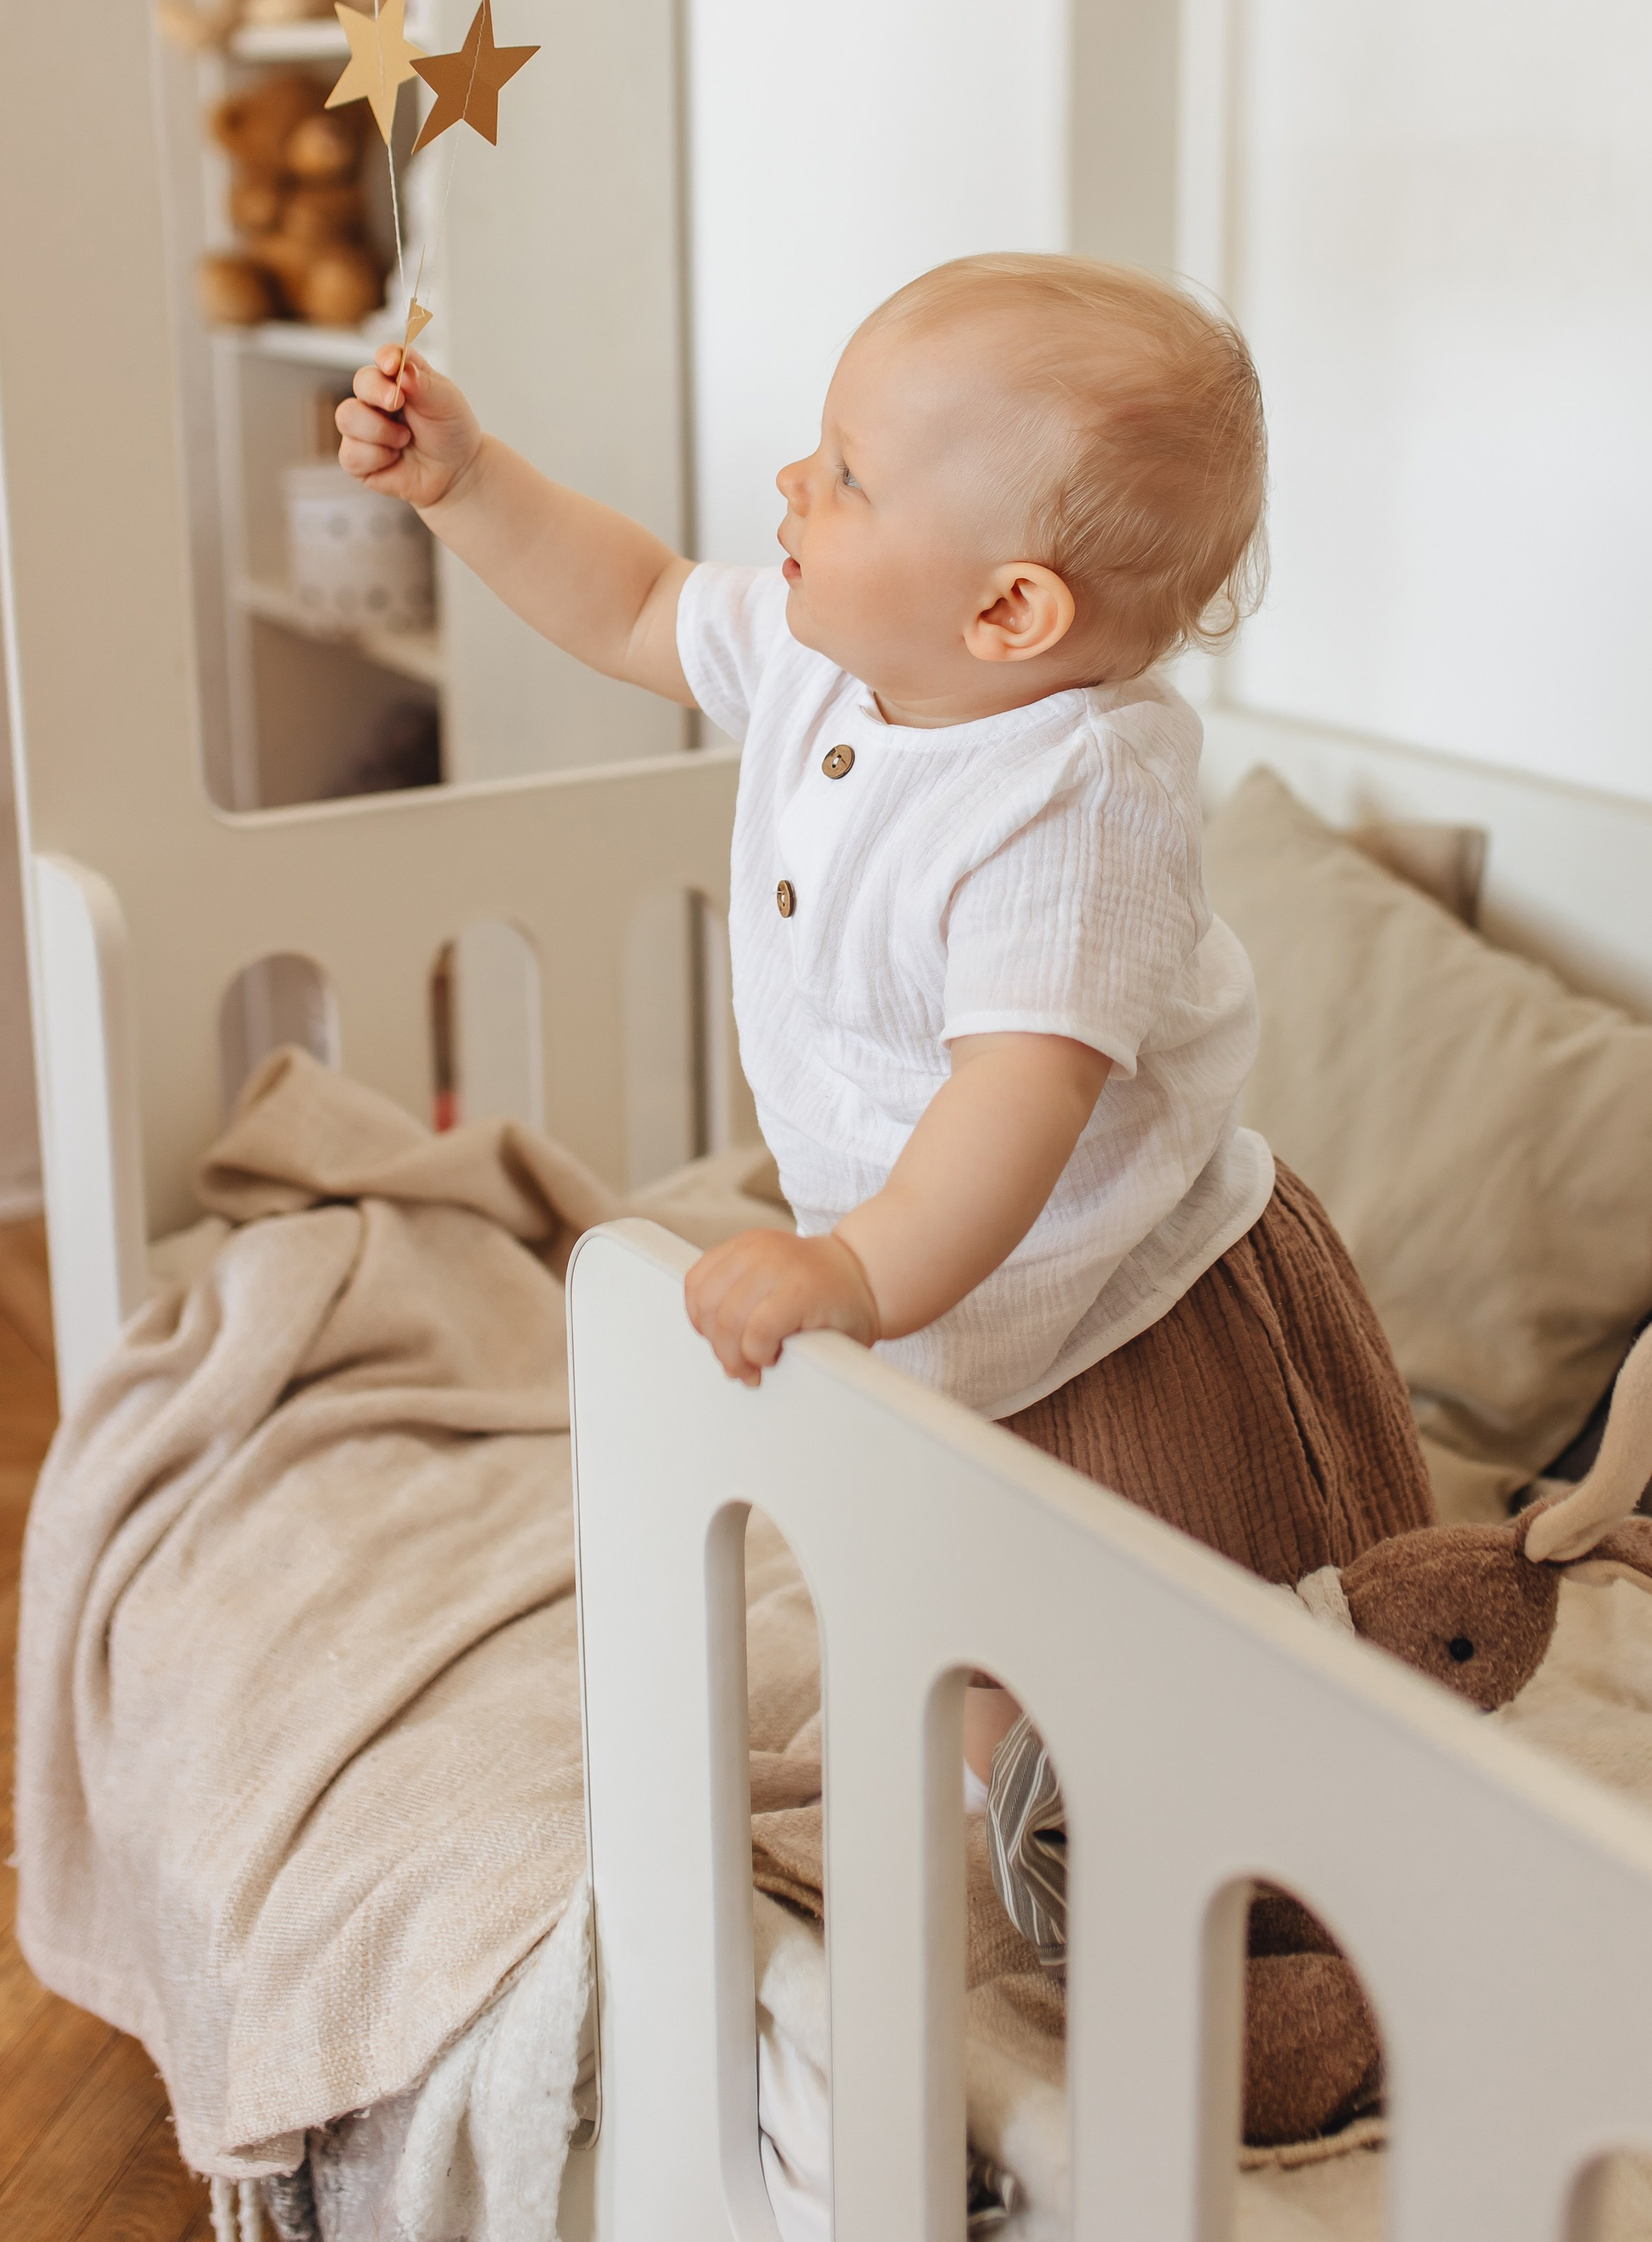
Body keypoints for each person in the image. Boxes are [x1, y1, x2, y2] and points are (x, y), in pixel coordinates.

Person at [338, 252, 1432, 1781]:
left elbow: (1016, 1106)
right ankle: (1026, 1832)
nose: (791, 479)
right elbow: (639, 599)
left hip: (1128, 1308)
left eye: (844, 475)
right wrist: (465, 483)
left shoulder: (1070, 807)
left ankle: (1256, 1894)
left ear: (1004, 608)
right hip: (944, 1289)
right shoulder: (824, 660)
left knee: (1221, 1668)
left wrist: (851, 1267)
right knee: (976, 1623)